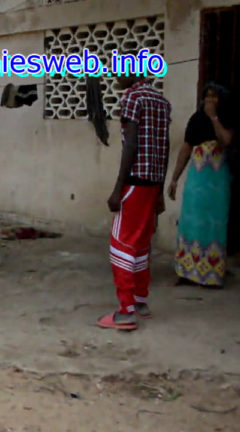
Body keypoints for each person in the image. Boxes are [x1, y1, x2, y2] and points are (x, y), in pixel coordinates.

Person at [98, 73, 171, 331]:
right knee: (140, 244)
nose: (116, 75)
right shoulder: (161, 101)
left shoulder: (133, 98)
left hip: (135, 182)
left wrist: (118, 188)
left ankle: (125, 311)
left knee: (121, 244)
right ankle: (140, 302)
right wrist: (160, 190)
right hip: (151, 184)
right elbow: (165, 146)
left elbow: (130, 145)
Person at [168, 83, 234, 288]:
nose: (210, 100)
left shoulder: (227, 118)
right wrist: (174, 178)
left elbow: (225, 141)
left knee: (214, 225)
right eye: (207, 96)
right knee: (191, 222)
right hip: (197, 181)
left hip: (217, 181)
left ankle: (211, 275)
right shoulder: (196, 120)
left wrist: (214, 117)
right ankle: (186, 272)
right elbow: (186, 149)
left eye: (214, 97)